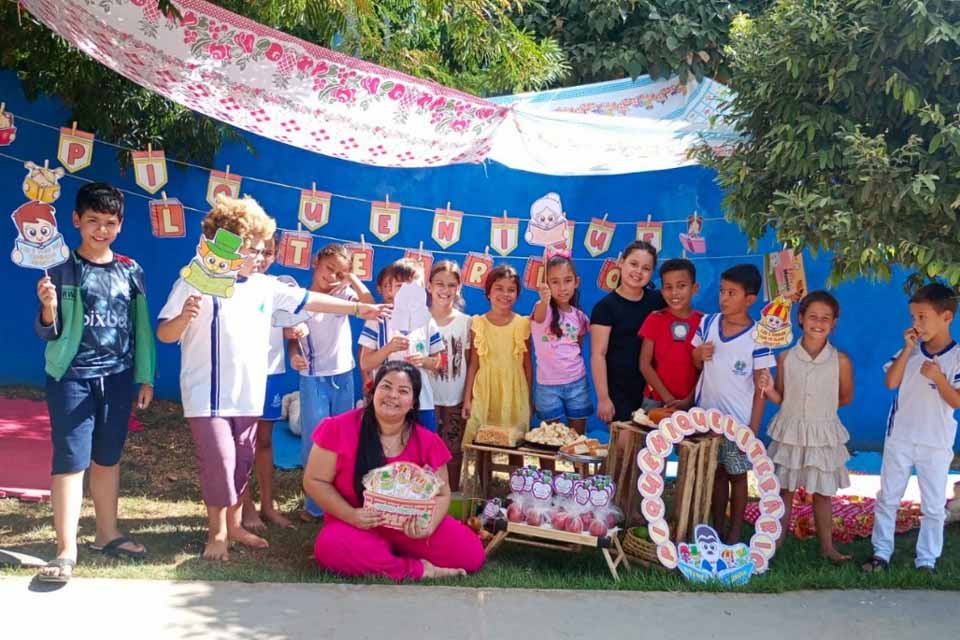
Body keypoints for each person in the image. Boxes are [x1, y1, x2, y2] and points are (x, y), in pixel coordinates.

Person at [157, 194, 389, 561]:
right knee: (220, 459)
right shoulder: (195, 281)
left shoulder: (265, 287)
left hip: (248, 394)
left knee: (243, 460)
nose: (259, 256)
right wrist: (185, 317)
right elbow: (165, 334)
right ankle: (216, 533)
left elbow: (312, 300)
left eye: (262, 248)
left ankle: (235, 525)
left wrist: (362, 308)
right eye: (251, 248)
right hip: (207, 394)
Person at [34, 183, 156, 583]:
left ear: (120, 224)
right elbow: (48, 332)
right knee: (71, 460)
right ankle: (65, 549)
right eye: (93, 221)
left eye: (110, 223)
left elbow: (141, 327)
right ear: (76, 220)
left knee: (108, 458)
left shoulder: (130, 269)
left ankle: (107, 534)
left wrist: (145, 376)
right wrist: (49, 308)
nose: (101, 230)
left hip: (118, 379)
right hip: (72, 378)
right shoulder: (62, 268)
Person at [305, 361, 485, 580]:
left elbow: (442, 493)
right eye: (386, 387)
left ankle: (386, 554)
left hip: (409, 529)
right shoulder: (337, 428)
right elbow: (314, 481)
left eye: (403, 391)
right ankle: (417, 569)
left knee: (471, 554)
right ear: (373, 391)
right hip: (355, 525)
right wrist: (351, 515)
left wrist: (427, 527)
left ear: (413, 403)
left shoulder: (428, 442)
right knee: (330, 546)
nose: (392, 396)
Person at [863, 283, 960, 573]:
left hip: (936, 442)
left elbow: (956, 401)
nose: (916, 324)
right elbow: (890, 382)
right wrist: (908, 349)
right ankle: (881, 552)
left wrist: (939, 378)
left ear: (946, 317)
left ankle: (927, 560)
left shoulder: (956, 357)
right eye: (913, 318)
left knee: (932, 504)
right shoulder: (911, 352)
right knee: (888, 497)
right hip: (900, 438)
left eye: (922, 317)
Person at [759, 291, 853, 563]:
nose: (818, 323)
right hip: (790, 430)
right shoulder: (785, 358)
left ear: (834, 322)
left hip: (823, 432)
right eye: (812, 316)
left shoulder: (841, 360)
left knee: (823, 492)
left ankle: (827, 546)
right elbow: (781, 396)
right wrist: (766, 387)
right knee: (784, 489)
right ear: (800, 318)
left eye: (826, 318)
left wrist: (819, 409)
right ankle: (775, 542)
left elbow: (845, 396)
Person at [289, 243, 373, 521]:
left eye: (340, 273)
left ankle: (341, 500)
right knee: (315, 441)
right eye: (329, 269)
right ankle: (314, 505)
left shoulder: (344, 293)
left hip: (344, 375)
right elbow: (290, 336)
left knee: (346, 440)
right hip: (313, 379)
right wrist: (293, 352)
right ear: (316, 262)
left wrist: (352, 279)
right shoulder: (299, 297)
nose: (333, 277)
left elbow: (370, 307)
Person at [691, 263, 774, 544]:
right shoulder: (707, 323)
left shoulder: (759, 336)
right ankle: (716, 526)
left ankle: (736, 531)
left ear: (749, 299)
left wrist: (751, 428)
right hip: (706, 418)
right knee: (715, 475)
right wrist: (699, 353)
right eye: (722, 291)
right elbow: (694, 362)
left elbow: (762, 385)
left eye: (731, 293)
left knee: (738, 476)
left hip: (738, 422)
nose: (723, 298)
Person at [240, 233, 295, 530]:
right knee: (243, 442)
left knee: (263, 440)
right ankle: (245, 508)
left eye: (269, 252)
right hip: (242, 374)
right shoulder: (232, 287)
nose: (262, 258)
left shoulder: (277, 288)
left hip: (271, 372)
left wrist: (296, 337)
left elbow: (290, 327)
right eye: (255, 251)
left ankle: (268, 506)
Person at [359, 259, 443, 432]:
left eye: (414, 287)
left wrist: (424, 361)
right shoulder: (378, 319)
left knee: (423, 451)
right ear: (391, 289)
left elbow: (440, 361)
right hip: (387, 402)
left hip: (422, 402)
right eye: (400, 286)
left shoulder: (427, 320)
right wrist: (387, 349)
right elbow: (365, 363)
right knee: (385, 449)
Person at [462, 265, 533, 457]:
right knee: (483, 439)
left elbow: (527, 365)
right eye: (499, 288)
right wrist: (467, 398)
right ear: (488, 292)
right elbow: (474, 364)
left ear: (517, 294)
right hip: (486, 389)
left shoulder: (522, 324)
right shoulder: (478, 323)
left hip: (514, 390)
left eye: (511, 290)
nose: (505, 294)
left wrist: (529, 397)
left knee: (516, 442)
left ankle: (517, 483)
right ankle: (482, 484)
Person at [590, 241, 665, 423]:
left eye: (646, 268)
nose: (638, 271)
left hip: (652, 388)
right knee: (623, 448)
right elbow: (598, 354)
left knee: (651, 447)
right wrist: (603, 398)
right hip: (618, 391)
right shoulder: (605, 308)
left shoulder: (658, 301)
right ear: (621, 262)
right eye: (633, 264)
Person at [530, 255, 592, 434]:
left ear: (576, 282)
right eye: (555, 282)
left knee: (578, 438)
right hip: (547, 386)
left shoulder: (579, 316)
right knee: (549, 440)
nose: (562, 288)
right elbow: (540, 316)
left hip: (577, 383)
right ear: (547, 284)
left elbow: (579, 345)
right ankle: (548, 464)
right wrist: (544, 300)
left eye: (567, 280)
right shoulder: (542, 308)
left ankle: (577, 464)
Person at [427, 260, 471, 491]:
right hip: (426, 399)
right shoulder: (420, 319)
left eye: (451, 285)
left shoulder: (466, 323)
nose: (445, 290)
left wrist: (468, 397)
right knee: (426, 450)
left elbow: (471, 362)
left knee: (453, 450)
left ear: (459, 288)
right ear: (429, 286)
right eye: (439, 284)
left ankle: (452, 494)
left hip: (455, 399)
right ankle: (426, 495)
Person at [638, 258, 703, 411]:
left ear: (694, 288)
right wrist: (668, 399)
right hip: (655, 400)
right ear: (662, 290)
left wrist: (689, 399)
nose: (674, 292)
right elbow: (644, 364)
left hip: (692, 402)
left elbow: (707, 369)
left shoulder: (704, 323)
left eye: (681, 286)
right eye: (668, 287)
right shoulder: (655, 318)